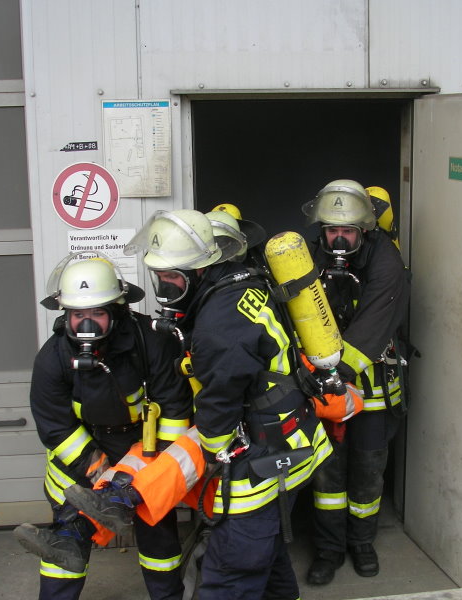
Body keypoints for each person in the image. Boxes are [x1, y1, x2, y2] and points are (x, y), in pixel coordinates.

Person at [115, 209, 333, 600]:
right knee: (265, 554)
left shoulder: (219, 325)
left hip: (263, 460)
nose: (164, 288)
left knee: (231, 571)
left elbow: (220, 401)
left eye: (171, 278)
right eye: (159, 277)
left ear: (199, 270)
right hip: (292, 438)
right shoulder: (240, 281)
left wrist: (213, 450)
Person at [13, 251, 193, 600]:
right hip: (82, 451)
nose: (88, 324)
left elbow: (174, 408)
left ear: (118, 309)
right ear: (65, 314)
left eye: (98, 313)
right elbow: (55, 426)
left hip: (144, 448)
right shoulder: (53, 358)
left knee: (158, 535)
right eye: (79, 314)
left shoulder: (150, 342)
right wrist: (96, 468)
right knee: (67, 537)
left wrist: (147, 472)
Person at [300, 179, 410, 585]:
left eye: (348, 231)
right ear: (322, 231)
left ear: (364, 230)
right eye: (333, 231)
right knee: (327, 473)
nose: (340, 239)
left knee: (367, 470)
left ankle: (362, 542)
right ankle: (328, 550)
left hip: (373, 387)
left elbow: (376, 322)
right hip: (324, 387)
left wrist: (338, 374)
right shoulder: (308, 259)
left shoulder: (386, 262)